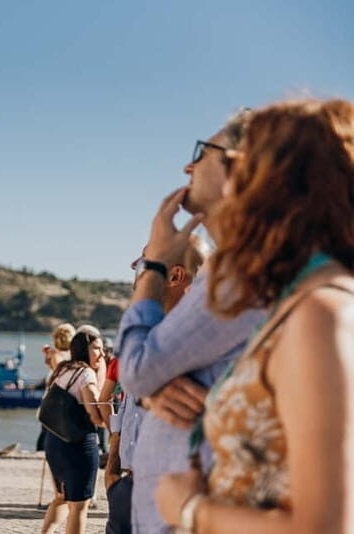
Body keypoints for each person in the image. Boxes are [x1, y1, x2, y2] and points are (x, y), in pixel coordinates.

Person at [155, 99, 354, 534]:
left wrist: (189, 510)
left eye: (237, 166)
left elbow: (324, 528)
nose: (228, 186)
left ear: (280, 186)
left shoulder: (323, 312)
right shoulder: (297, 301)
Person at [115, 110, 266, 534]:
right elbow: (146, 378)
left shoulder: (241, 274)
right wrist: (152, 390)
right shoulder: (237, 270)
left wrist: (155, 264)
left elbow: (137, 370)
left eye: (203, 153)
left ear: (241, 167)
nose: (188, 167)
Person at [101, 237, 207, 534]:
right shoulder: (144, 337)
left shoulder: (204, 342)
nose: (136, 273)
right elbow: (126, 408)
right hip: (127, 489)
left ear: (174, 276)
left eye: (143, 266)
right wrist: (113, 475)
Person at [41, 331, 105, 534]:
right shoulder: (86, 374)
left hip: (54, 441)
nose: (101, 354)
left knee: (61, 497)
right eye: (97, 348)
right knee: (79, 505)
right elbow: (95, 415)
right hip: (78, 444)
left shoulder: (61, 369)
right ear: (84, 350)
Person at [37, 323, 75, 451]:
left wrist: (49, 356)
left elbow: (58, 372)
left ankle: (43, 452)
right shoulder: (75, 356)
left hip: (54, 398)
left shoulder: (56, 355)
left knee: (47, 431)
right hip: (67, 398)